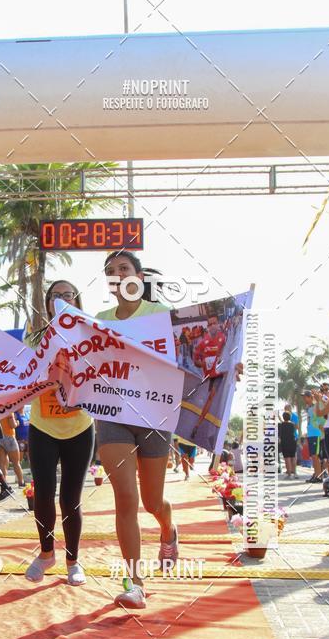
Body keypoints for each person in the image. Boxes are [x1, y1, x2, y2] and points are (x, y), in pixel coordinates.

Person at [95, 251, 176, 609]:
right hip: (112, 414)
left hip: (155, 416)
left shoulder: (161, 316)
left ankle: (168, 529)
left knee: (151, 501)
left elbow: (191, 360)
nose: (117, 275)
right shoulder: (97, 320)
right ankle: (135, 581)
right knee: (125, 498)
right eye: (110, 271)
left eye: (123, 269)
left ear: (139, 277)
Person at [24, 280, 95, 587]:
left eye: (69, 294)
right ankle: (45, 553)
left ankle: (73, 561)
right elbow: (22, 374)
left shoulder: (93, 335)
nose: (63, 299)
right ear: (48, 302)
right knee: (42, 493)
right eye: (56, 295)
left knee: (70, 499)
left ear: (77, 301)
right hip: (42, 425)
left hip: (80, 427)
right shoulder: (36, 335)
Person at [190, 312, 227, 439]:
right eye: (209, 324)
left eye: (214, 323)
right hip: (211, 375)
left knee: (213, 397)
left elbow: (231, 353)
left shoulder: (224, 338)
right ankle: (197, 426)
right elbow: (196, 361)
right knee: (210, 399)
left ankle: (201, 426)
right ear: (207, 326)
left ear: (218, 324)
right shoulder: (203, 343)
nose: (212, 326)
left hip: (222, 374)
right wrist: (203, 363)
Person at [0, 414, 25, 486]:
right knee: (16, 462)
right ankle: (21, 482)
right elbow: (12, 425)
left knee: (1, 462)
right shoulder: (9, 411)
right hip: (9, 436)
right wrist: (17, 422)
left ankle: (3, 483)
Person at [303, 389, 325, 483]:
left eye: (305, 397)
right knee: (313, 456)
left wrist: (321, 429)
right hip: (311, 434)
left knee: (315, 456)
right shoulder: (309, 408)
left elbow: (321, 419)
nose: (304, 398)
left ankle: (319, 476)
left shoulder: (316, 406)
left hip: (316, 434)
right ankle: (316, 474)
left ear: (310, 397)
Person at [278, 412, 298, 478]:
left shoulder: (281, 425)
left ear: (283, 417)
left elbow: (280, 435)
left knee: (287, 458)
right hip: (292, 442)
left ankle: (289, 474)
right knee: (293, 458)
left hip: (285, 443)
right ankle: (295, 473)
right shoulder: (293, 425)